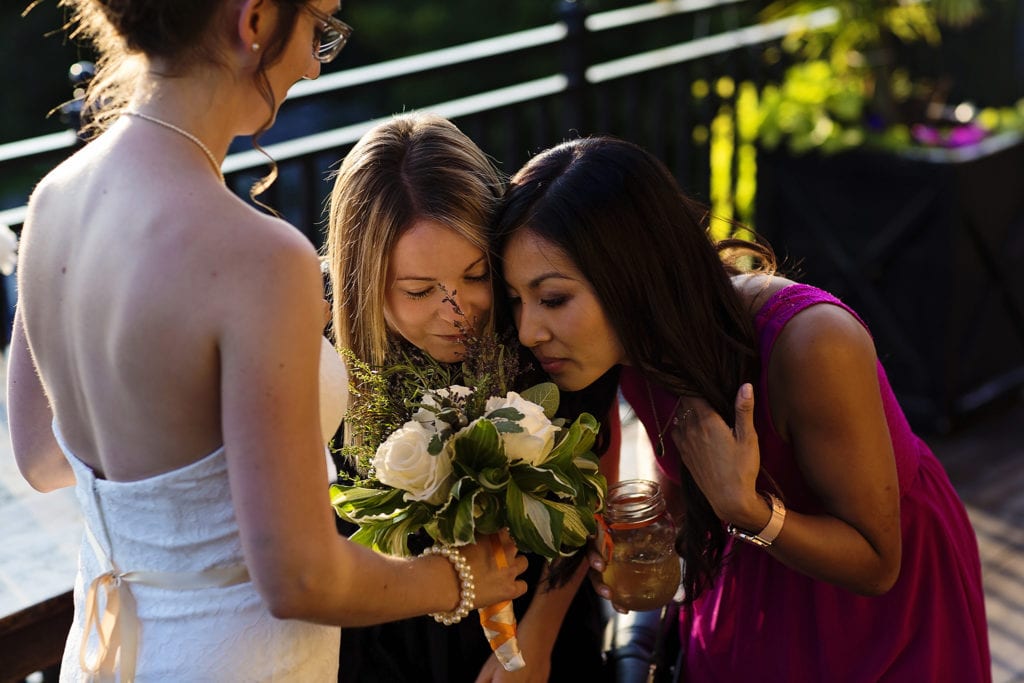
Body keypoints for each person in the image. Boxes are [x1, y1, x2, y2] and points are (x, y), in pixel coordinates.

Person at [8, 3, 528, 681]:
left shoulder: (53, 200)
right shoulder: (259, 258)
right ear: (253, 19)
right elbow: (300, 577)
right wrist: (459, 578)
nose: (314, 63)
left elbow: (42, 459)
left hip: (106, 651)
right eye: (319, 27)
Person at [490, 136, 992, 682]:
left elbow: (878, 564)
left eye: (554, 299)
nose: (528, 331)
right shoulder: (623, 347)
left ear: (633, 274)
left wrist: (746, 511)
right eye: (517, 299)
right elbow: (682, 471)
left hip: (878, 613)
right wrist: (653, 534)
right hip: (747, 577)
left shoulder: (814, 343)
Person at [323, 111, 609, 683]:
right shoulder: (323, 360)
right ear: (361, 279)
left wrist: (535, 644)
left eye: (477, 276)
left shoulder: (542, 329)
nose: (457, 312)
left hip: (537, 617)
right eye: (419, 290)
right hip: (389, 640)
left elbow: (583, 501)